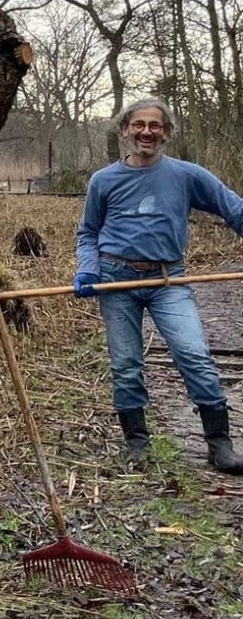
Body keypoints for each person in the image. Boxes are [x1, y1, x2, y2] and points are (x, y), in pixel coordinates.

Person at [74, 97, 243, 474]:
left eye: (155, 125)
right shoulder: (103, 180)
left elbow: (235, 209)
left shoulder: (186, 175)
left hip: (169, 279)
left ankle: (220, 446)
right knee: (126, 363)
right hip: (115, 280)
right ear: (125, 130)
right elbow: (88, 233)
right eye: (138, 124)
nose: (146, 132)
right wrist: (88, 270)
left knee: (194, 354)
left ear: (166, 133)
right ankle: (138, 445)